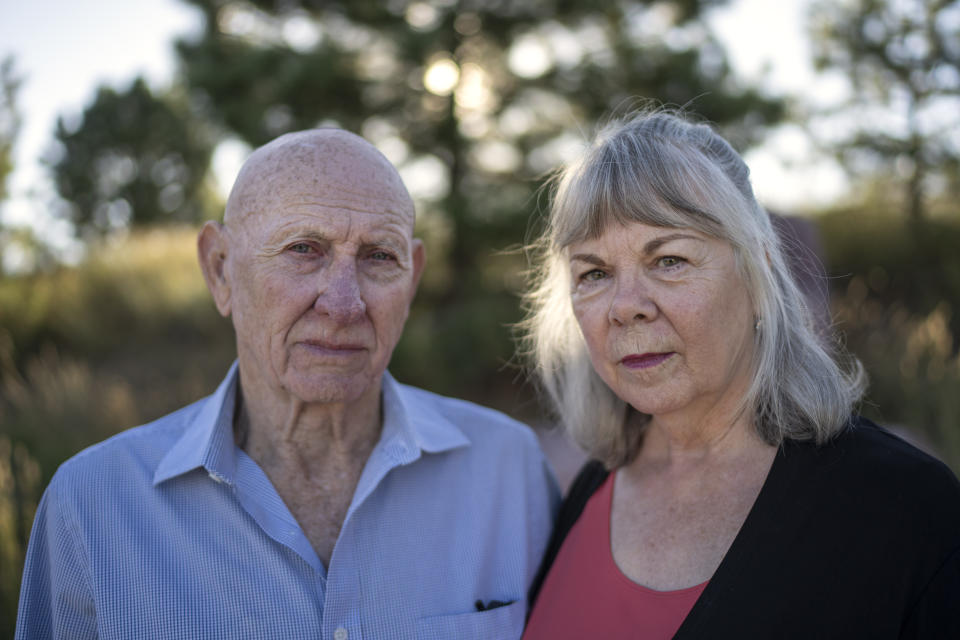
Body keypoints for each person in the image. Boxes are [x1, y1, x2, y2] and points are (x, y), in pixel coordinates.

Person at [17, 129, 559, 639]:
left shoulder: (510, 470)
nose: (345, 304)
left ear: (411, 279)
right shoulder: (93, 506)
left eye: (378, 257)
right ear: (221, 270)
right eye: (304, 249)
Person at [521, 111, 960, 639]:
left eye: (669, 260)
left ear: (759, 275)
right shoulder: (586, 495)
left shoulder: (907, 509)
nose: (625, 306)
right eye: (594, 273)